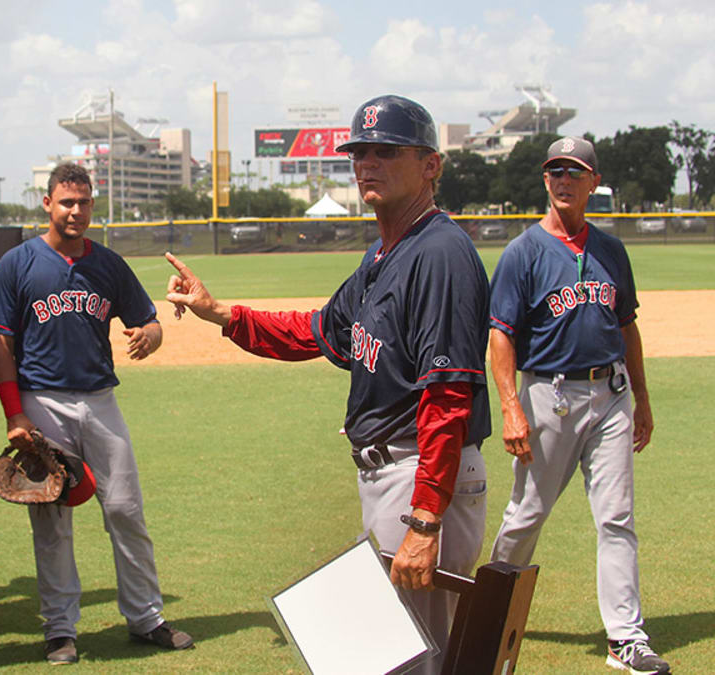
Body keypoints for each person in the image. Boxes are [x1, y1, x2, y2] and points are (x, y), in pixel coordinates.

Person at [164, 95, 490, 675]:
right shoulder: (383, 254)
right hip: (393, 477)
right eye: (359, 152)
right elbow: (314, 332)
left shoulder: (440, 254)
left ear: (430, 164)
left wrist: (424, 520)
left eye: (387, 151)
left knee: (415, 660)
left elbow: (447, 397)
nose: (368, 162)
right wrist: (222, 314)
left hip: (421, 476)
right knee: (391, 651)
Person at [0, 163, 192, 665]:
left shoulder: (109, 265)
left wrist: (152, 335)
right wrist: (15, 414)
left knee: (124, 508)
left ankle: (145, 617)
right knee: (51, 514)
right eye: (66, 202)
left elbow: (149, 321)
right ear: (48, 204)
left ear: (92, 205)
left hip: (100, 399)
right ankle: (60, 629)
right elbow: (0, 345)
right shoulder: (18, 263)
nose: (75, 211)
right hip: (41, 400)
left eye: (84, 202)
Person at [487, 137, 670, 674]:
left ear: (593, 181)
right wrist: (511, 407)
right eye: (555, 171)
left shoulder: (611, 250)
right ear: (546, 181)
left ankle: (625, 638)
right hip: (549, 395)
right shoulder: (523, 252)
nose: (563, 179)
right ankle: (491, 611)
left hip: (611, 396)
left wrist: (641, 398)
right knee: (527, 514)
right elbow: (501, 336)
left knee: (616, 518)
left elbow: (626, 326)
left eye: (575, 171)